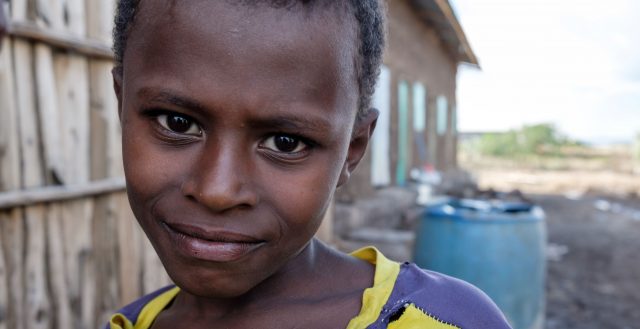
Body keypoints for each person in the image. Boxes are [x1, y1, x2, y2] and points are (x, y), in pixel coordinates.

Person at [107, 0, 512, 328]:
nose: (217, 190)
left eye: (285, 143)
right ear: (122, 103)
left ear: (352, 149)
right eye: (177, 123)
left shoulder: (442, 321)